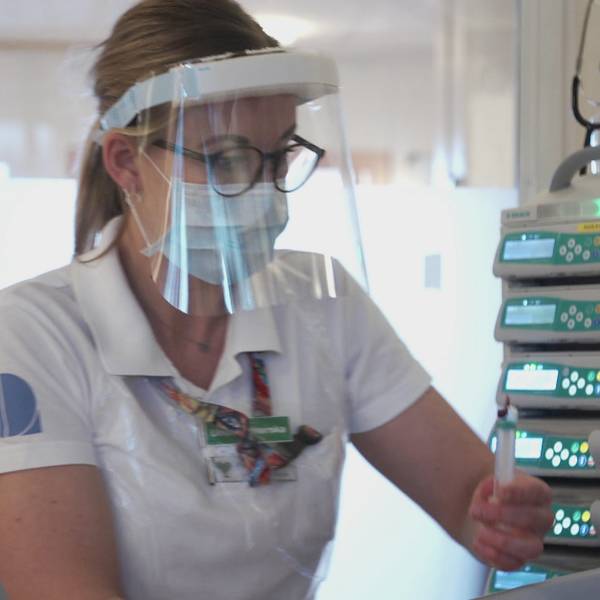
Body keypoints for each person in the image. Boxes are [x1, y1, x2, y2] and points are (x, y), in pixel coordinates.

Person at [0, 1, 553, 599]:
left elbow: (468, 497)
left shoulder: (320, 303)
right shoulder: (32, 337)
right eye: (225, 159)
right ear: (127, 163)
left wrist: (498, 516)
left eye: (279, 155)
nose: (262, 191)